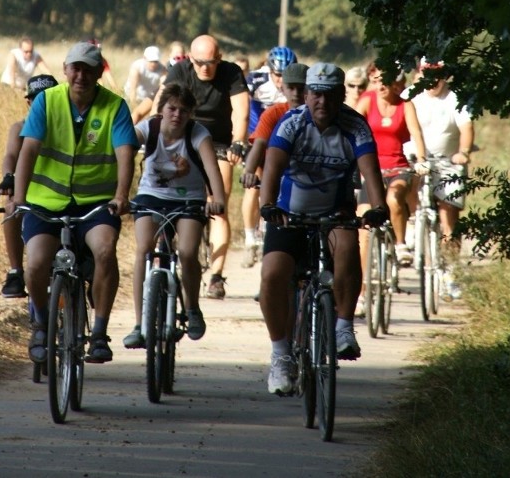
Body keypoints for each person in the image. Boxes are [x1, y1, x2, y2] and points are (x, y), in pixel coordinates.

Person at [258, 62, 389, 395]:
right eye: (316, 94)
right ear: (306, 94)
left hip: (335, 211)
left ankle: (344, 326)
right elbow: (272, 165)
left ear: (341, 96)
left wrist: (379, 207)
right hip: (289, 212)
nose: (322, 103)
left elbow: (370, 171)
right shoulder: (292, 124)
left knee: (347, 246)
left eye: (331, 96)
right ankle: (281, 355)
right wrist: (268, 204)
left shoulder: (355, 126)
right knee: (273, 274)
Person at [10, 41, 138, 365]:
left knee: (105, 250)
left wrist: (121, 196)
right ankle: (40, 323)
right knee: (37, 263)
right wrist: (20, 198)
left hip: (95, 204)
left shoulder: (115, 107)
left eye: (88, 69)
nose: (81, 75)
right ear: (65, 70)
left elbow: (126, 154)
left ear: (99, 73)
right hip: (46, 202)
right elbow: (28, 151)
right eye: (75, 68)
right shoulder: (47, 102)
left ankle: (99, 333)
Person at [123, 83, 226, 348]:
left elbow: (212, 168)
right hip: (151, 195)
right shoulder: (150, 128)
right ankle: (139, 323)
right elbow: (126, 144)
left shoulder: (197, 133)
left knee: (188, 252)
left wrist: (218, 200)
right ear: (162, 110)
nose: (177, 115)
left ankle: (192, 308)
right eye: (171, 108)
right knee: (144, 249)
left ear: (191, 113)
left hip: (189, 199)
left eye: (183, 110)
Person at [158, 34, 249, 300]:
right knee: (165, 198)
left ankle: (217, 276)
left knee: (218, 206)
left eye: (210, 62)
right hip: (183, 138)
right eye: (199, 63)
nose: (204, 68)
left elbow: (241, 112)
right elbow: (160, 103)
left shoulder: (231, 73)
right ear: (190, 59)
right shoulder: (180, 70)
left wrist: (239, 143)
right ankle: (162, 256)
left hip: (219, 141)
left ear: (219, 59)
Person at [408, 58, 475, 299]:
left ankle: (450, 273)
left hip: (448, 161)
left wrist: (463, 152)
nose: (432, 80)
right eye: (427, 74)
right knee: (405, 183)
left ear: (445, 75)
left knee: (448, 215)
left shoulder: (455, 98)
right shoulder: (412, 95)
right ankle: (411, 227)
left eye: (437, 74)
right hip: (417, 159)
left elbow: (467, 128)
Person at [356, 65, 428, 267]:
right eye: (376, 81)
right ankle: (361, 292)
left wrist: (422, 159)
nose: (380, 86)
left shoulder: (405, 105)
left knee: (393, 199)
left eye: (384, 81)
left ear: (394, 84)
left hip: (398, 168)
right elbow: (351, 126)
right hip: (372, 171)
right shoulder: (367, 101)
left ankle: (400, 243)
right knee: (363, 226)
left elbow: (416, 133)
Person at [0, 74, 59, 298]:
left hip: (61, 188)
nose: (42, 103)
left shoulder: (66, 125)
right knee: (11, 206)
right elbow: (11, 155)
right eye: (36, 99)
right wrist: (9, 176)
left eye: (48, 98)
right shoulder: (20, 127)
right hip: (31, 186)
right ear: (29, 103)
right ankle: (15, 271)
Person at [241, 46, 298, 268]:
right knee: (253, 185)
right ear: (269, 70)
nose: (280, 80)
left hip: (285, 141)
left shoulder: (297, 86)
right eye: (276, 75)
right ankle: (249, 238)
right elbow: (240, 106)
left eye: (285, 75)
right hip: (259, 139)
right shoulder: (255, 80)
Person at [124, 45, 168, 123]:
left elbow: (163, 87)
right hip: (134, 96)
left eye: (156, 61)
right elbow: (133, 88)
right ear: (144, 58)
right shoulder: (137, 67)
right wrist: (133, 105)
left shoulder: (162, 70)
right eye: (151, 61)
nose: (153, 64)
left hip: (149, 98)